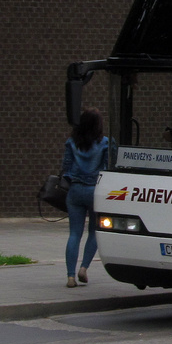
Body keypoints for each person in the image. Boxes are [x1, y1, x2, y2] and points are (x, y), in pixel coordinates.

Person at [61, 107, 110, 288]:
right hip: (94, 191)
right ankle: (84, 267)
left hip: (75, 191)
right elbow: (106, 168)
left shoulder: (71, 142)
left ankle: (70, 277)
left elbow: (66, 167)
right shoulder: (105, 143)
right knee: (94, 231)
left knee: (74, 233)